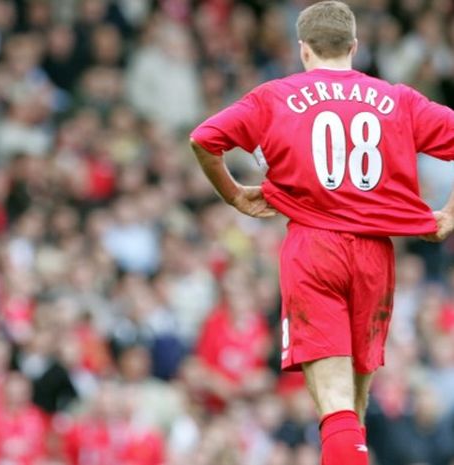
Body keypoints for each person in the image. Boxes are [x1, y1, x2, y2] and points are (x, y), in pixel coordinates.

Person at [189, 1, 454, 464]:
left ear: (303, 49)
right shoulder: (398, 99)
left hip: (313, 250)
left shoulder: (274, 96)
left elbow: (203, 139)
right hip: (375, 255)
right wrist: (448, 214)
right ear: (354, 46)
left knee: (334, 403)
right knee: (355, 402)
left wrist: (233, 194)